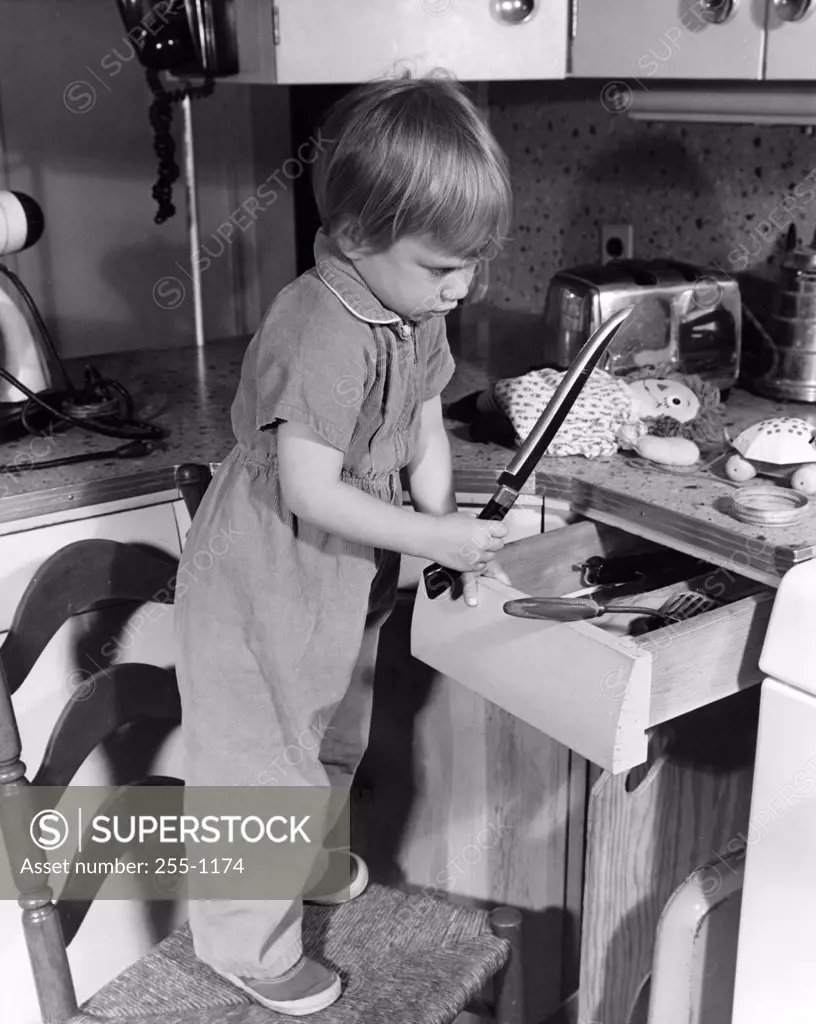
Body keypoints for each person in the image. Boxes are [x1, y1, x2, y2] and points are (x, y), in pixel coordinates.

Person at [174, 74, 513, 1016]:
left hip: (349, 566)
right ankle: (247, 945)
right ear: (359, 237)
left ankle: (308, 861)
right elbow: (307, 489)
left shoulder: (413, 305)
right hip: (268, 567)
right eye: (444, 266)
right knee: (261, 757)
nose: (463, 287)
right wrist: (432, 531)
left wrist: (442, 527)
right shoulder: (321, 323)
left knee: (333, 729)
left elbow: (426, 421)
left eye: (474, 263)